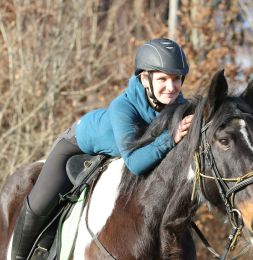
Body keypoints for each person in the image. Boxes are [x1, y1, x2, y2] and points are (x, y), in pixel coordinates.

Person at [11, 38, 193, 260]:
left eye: (176, 79)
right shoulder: (123, 107)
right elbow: (135, 163)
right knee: (39, 204)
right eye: (163, 79)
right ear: (145, 78)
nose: (171, 87)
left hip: (118, 152)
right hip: (75, 145)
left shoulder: (179, 106)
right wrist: (170, 139)